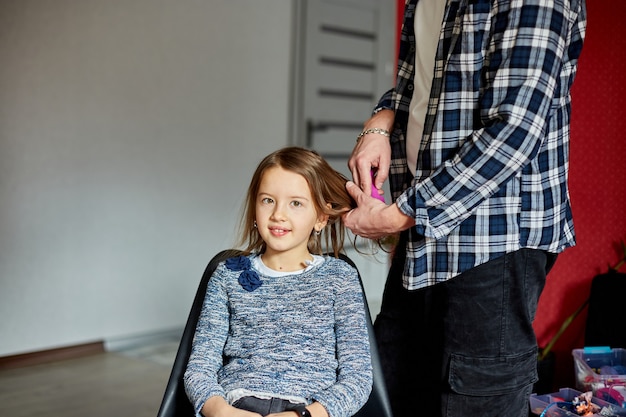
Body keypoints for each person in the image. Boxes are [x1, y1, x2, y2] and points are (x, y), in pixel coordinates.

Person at [342, 1, 587, 416]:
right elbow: (420, 88)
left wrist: (398, 214)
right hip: (421, 234)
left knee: (473, 403)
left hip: (493, 241)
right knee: (388, 393)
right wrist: (379, 125)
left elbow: (513, 131)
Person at [184, 147, 372, 417]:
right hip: (235, 406)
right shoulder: (226, 276)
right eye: (268, 200)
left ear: (321, 217)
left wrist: (304, 416)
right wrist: (222, 412)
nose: (278, 215)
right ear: (254, 207)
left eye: (296, 203)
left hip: (309, 410)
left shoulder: (340, 279)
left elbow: (358, 379)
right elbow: (200, 367)